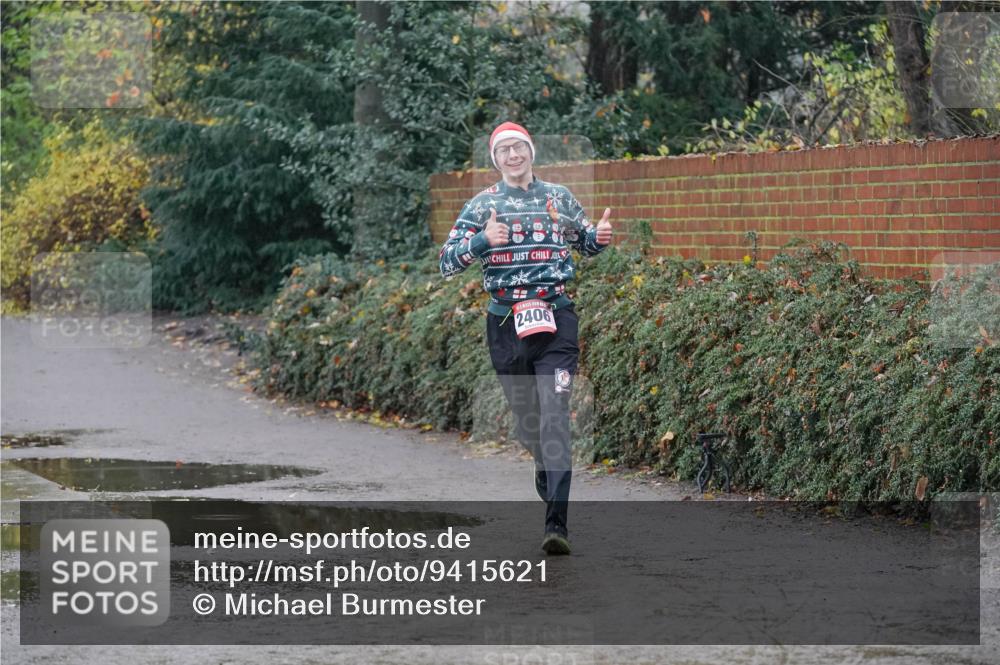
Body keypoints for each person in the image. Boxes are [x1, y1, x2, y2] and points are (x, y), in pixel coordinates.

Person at [439, 122, 613, 555]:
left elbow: (585, 244)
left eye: (519, 148)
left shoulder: (558, 198)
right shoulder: (482, 205)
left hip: (557, 321)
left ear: (531, 152)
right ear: (495, 159)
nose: (513, 156)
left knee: (555, 413)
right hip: (505, 329)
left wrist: (600, 238)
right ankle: (540, 460)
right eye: (504, 151)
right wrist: (482, 240)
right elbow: (446, 262)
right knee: (530, 421)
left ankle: (557, 526)